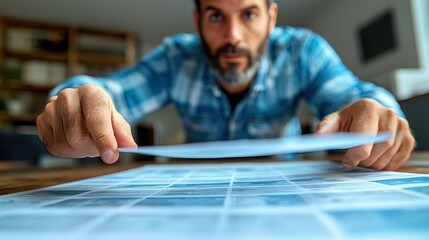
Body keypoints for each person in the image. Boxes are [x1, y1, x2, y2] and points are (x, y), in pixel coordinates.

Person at [37, 0, 415, 170]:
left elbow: (354, 97)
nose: (233, 36)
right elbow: (110, 93)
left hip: (285, 186)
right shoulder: (175, 57)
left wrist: (378, 111)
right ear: (197, 19)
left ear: (271, 17)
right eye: (216, 15)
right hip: (191, 190)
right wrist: (77, 100)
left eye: (248, 14)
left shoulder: (303, 50)